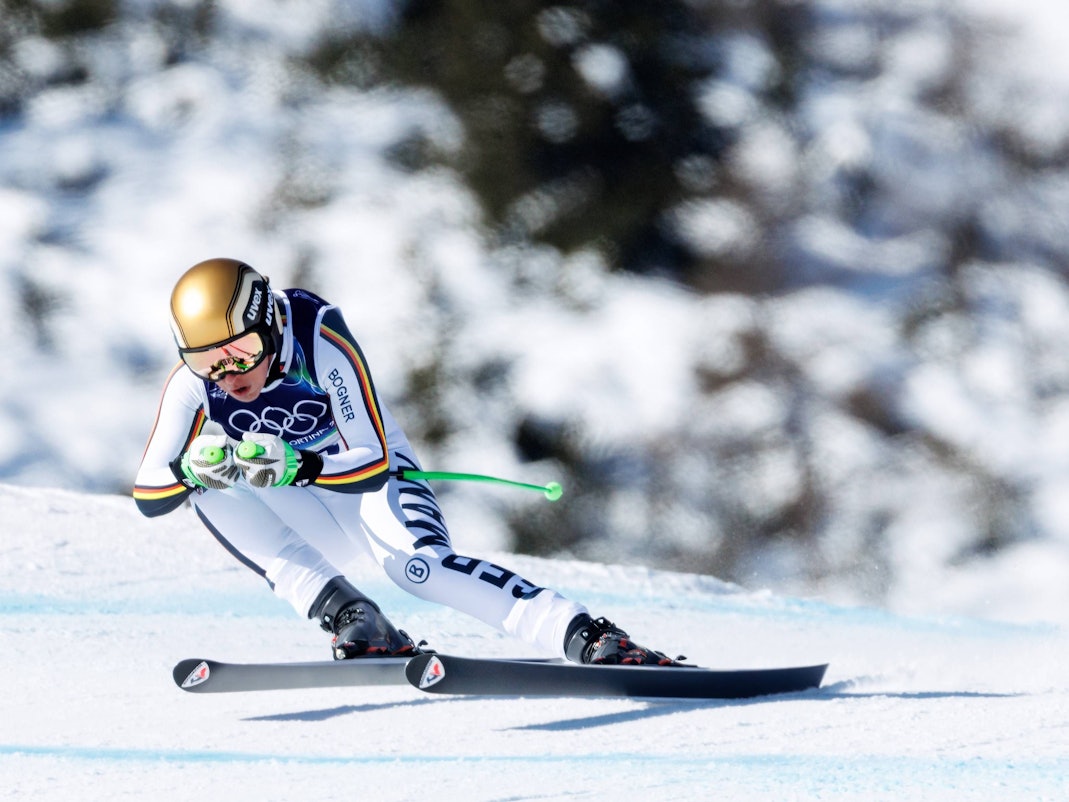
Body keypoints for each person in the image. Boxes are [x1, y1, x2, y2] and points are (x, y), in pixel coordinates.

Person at [133, 258, 679, 665]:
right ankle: (354, 616)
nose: (227, 376)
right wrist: (189, 472)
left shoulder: (318, 337)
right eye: (206, 361)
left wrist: (301, 465)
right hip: (305, 506)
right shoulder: (193, 388)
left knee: (419, 569)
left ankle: (587, 635)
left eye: (240, 353)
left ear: (270, 323)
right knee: (207, 486)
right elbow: (148, 493)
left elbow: (370, 458)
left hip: (373, 483)